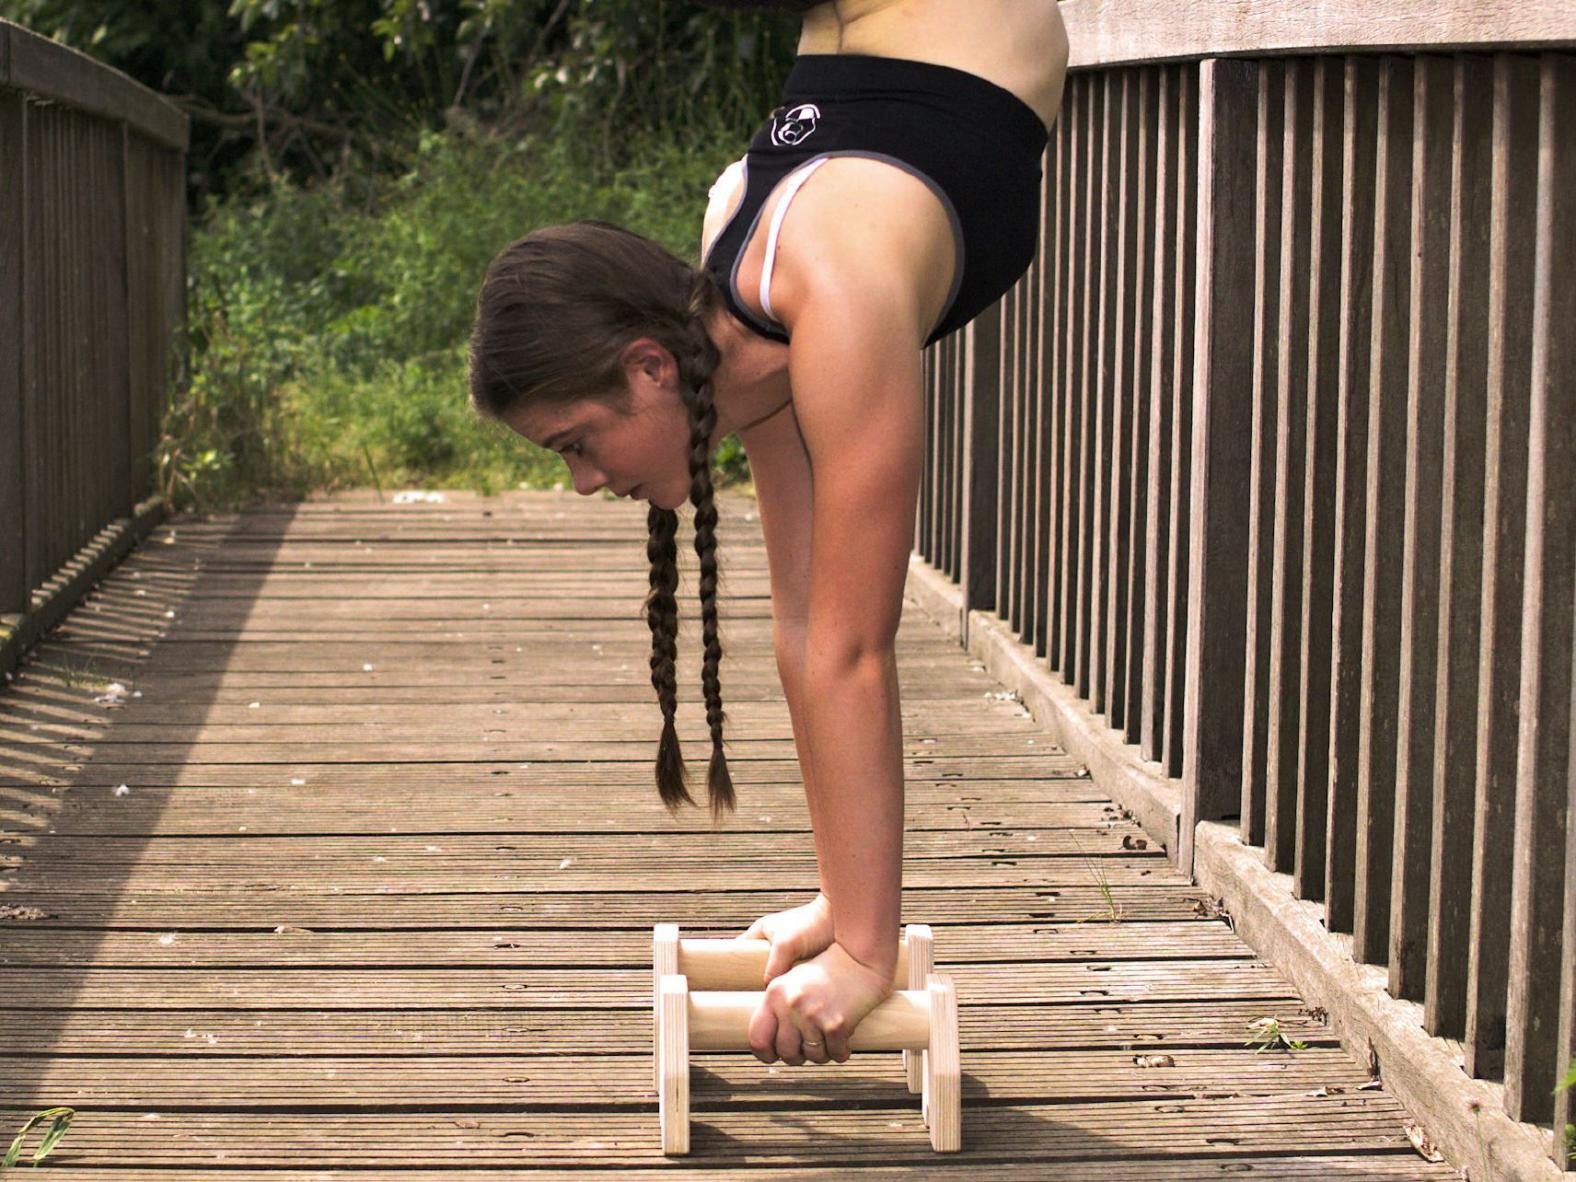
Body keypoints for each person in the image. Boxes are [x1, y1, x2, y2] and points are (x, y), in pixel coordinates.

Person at [468, 0, 1069, 1075]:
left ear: (651, 368)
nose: (581, 482)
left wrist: (868, 956)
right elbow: (805, 620)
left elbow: (854, 650)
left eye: (576, 443)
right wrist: (842, 914)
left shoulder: (830, 293)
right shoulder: (745, 322)